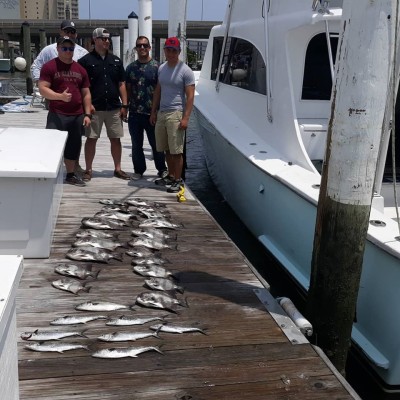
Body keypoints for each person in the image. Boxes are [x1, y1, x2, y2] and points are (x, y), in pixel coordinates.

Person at [31, 20, 88, 174]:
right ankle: (51, 168)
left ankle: (74, 166)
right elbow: (36, 66)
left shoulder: (82, 52)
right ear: (61, 32)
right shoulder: (48, 50)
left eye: (72, 32)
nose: (69, 34)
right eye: (66, 31)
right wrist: (42, 83)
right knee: (53, 139)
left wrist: (88, 107)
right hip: (56, 104)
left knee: (75, 140)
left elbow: (86, 81)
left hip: (77, 106)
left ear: (75, 34)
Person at [38, 36, 92, 187]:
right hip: (57, 114)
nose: (68, 51)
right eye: (64, 48)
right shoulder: (49, 67)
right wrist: (59, 97)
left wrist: (87, 114)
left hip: (77, 115)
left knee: (73, 147)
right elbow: (42, 89)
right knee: (51, 145)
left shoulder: (80, 69)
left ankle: (70, 174)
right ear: (58, 49)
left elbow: (86, 93)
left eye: (71, 48)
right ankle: (49, 174)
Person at [78, 28, 131, 181]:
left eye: (108, 39)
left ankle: (118, 168)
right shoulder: (85, 62)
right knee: (91, 139)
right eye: (103, 38)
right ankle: (88, 169)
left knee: (116, 139)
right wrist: (87, 107)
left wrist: (125, 105)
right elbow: (83, 87)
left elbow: (122, 84)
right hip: (94, 108)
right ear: (94, 40)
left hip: (114, 107)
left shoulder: (116, 61)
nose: (107, 41)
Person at [150, 37, 195, 193]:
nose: (170, 53)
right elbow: (158, 91)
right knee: (166, 148)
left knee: (177, 150)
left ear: (179, 52)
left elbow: (190, 96)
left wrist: (186, 118)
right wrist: (153, 111)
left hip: (176, 113)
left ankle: (178, 179)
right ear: (164, 50)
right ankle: (170, 175)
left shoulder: (185, 71)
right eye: (168, 50)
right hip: (162, 113)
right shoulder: (162, 68)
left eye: (173, 50)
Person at [125, 35, 167, 180]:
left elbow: (160, 90)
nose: (142, 48)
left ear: (149, 47)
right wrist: (125, 107)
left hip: (152, 113)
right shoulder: (130, 68)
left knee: (157, 144)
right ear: (136, 48)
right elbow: (128, 89)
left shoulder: (158, 67)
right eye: (139, 45)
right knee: (136, 145)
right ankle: (138, 170)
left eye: (144, 45)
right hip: (135, 113)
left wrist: (156, 111)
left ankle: (162, 169)